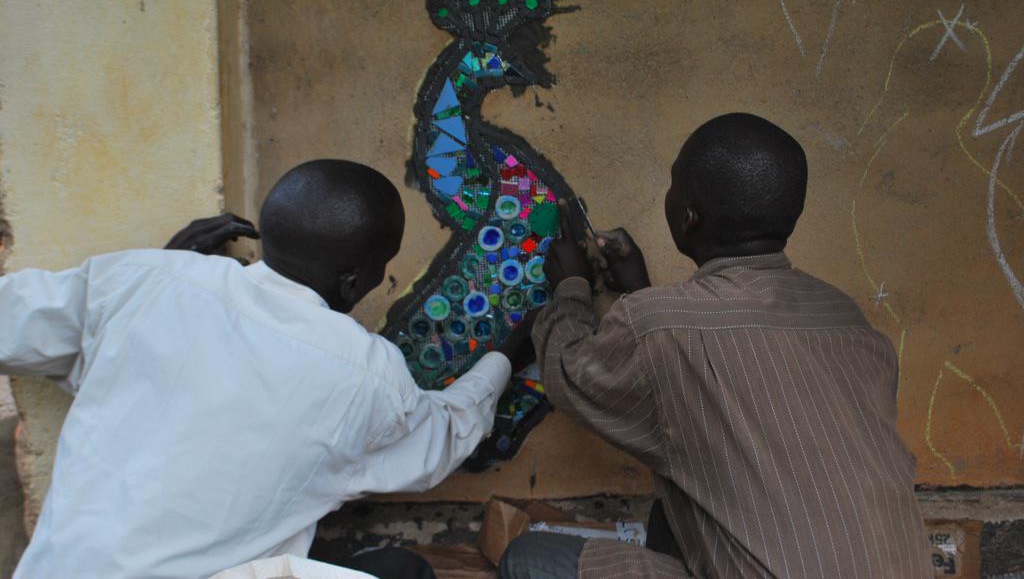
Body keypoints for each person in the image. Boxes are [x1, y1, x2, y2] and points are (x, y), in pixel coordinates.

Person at [0, 159, 514, 579]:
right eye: (385, 264)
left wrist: (166, 272)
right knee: (402, 571)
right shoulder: (365, 375)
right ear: (354, 282)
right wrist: (510, 353)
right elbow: (442, 438)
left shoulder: (140, 280)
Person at [500, 113, 932, 578]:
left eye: (672, 184)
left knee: (528, 560)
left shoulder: (659, 326)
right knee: (678, 506)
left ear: (687, 217)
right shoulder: (846, 319)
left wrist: (570, 287)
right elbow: (715, 384)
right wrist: (641, 293)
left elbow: (571, 373)